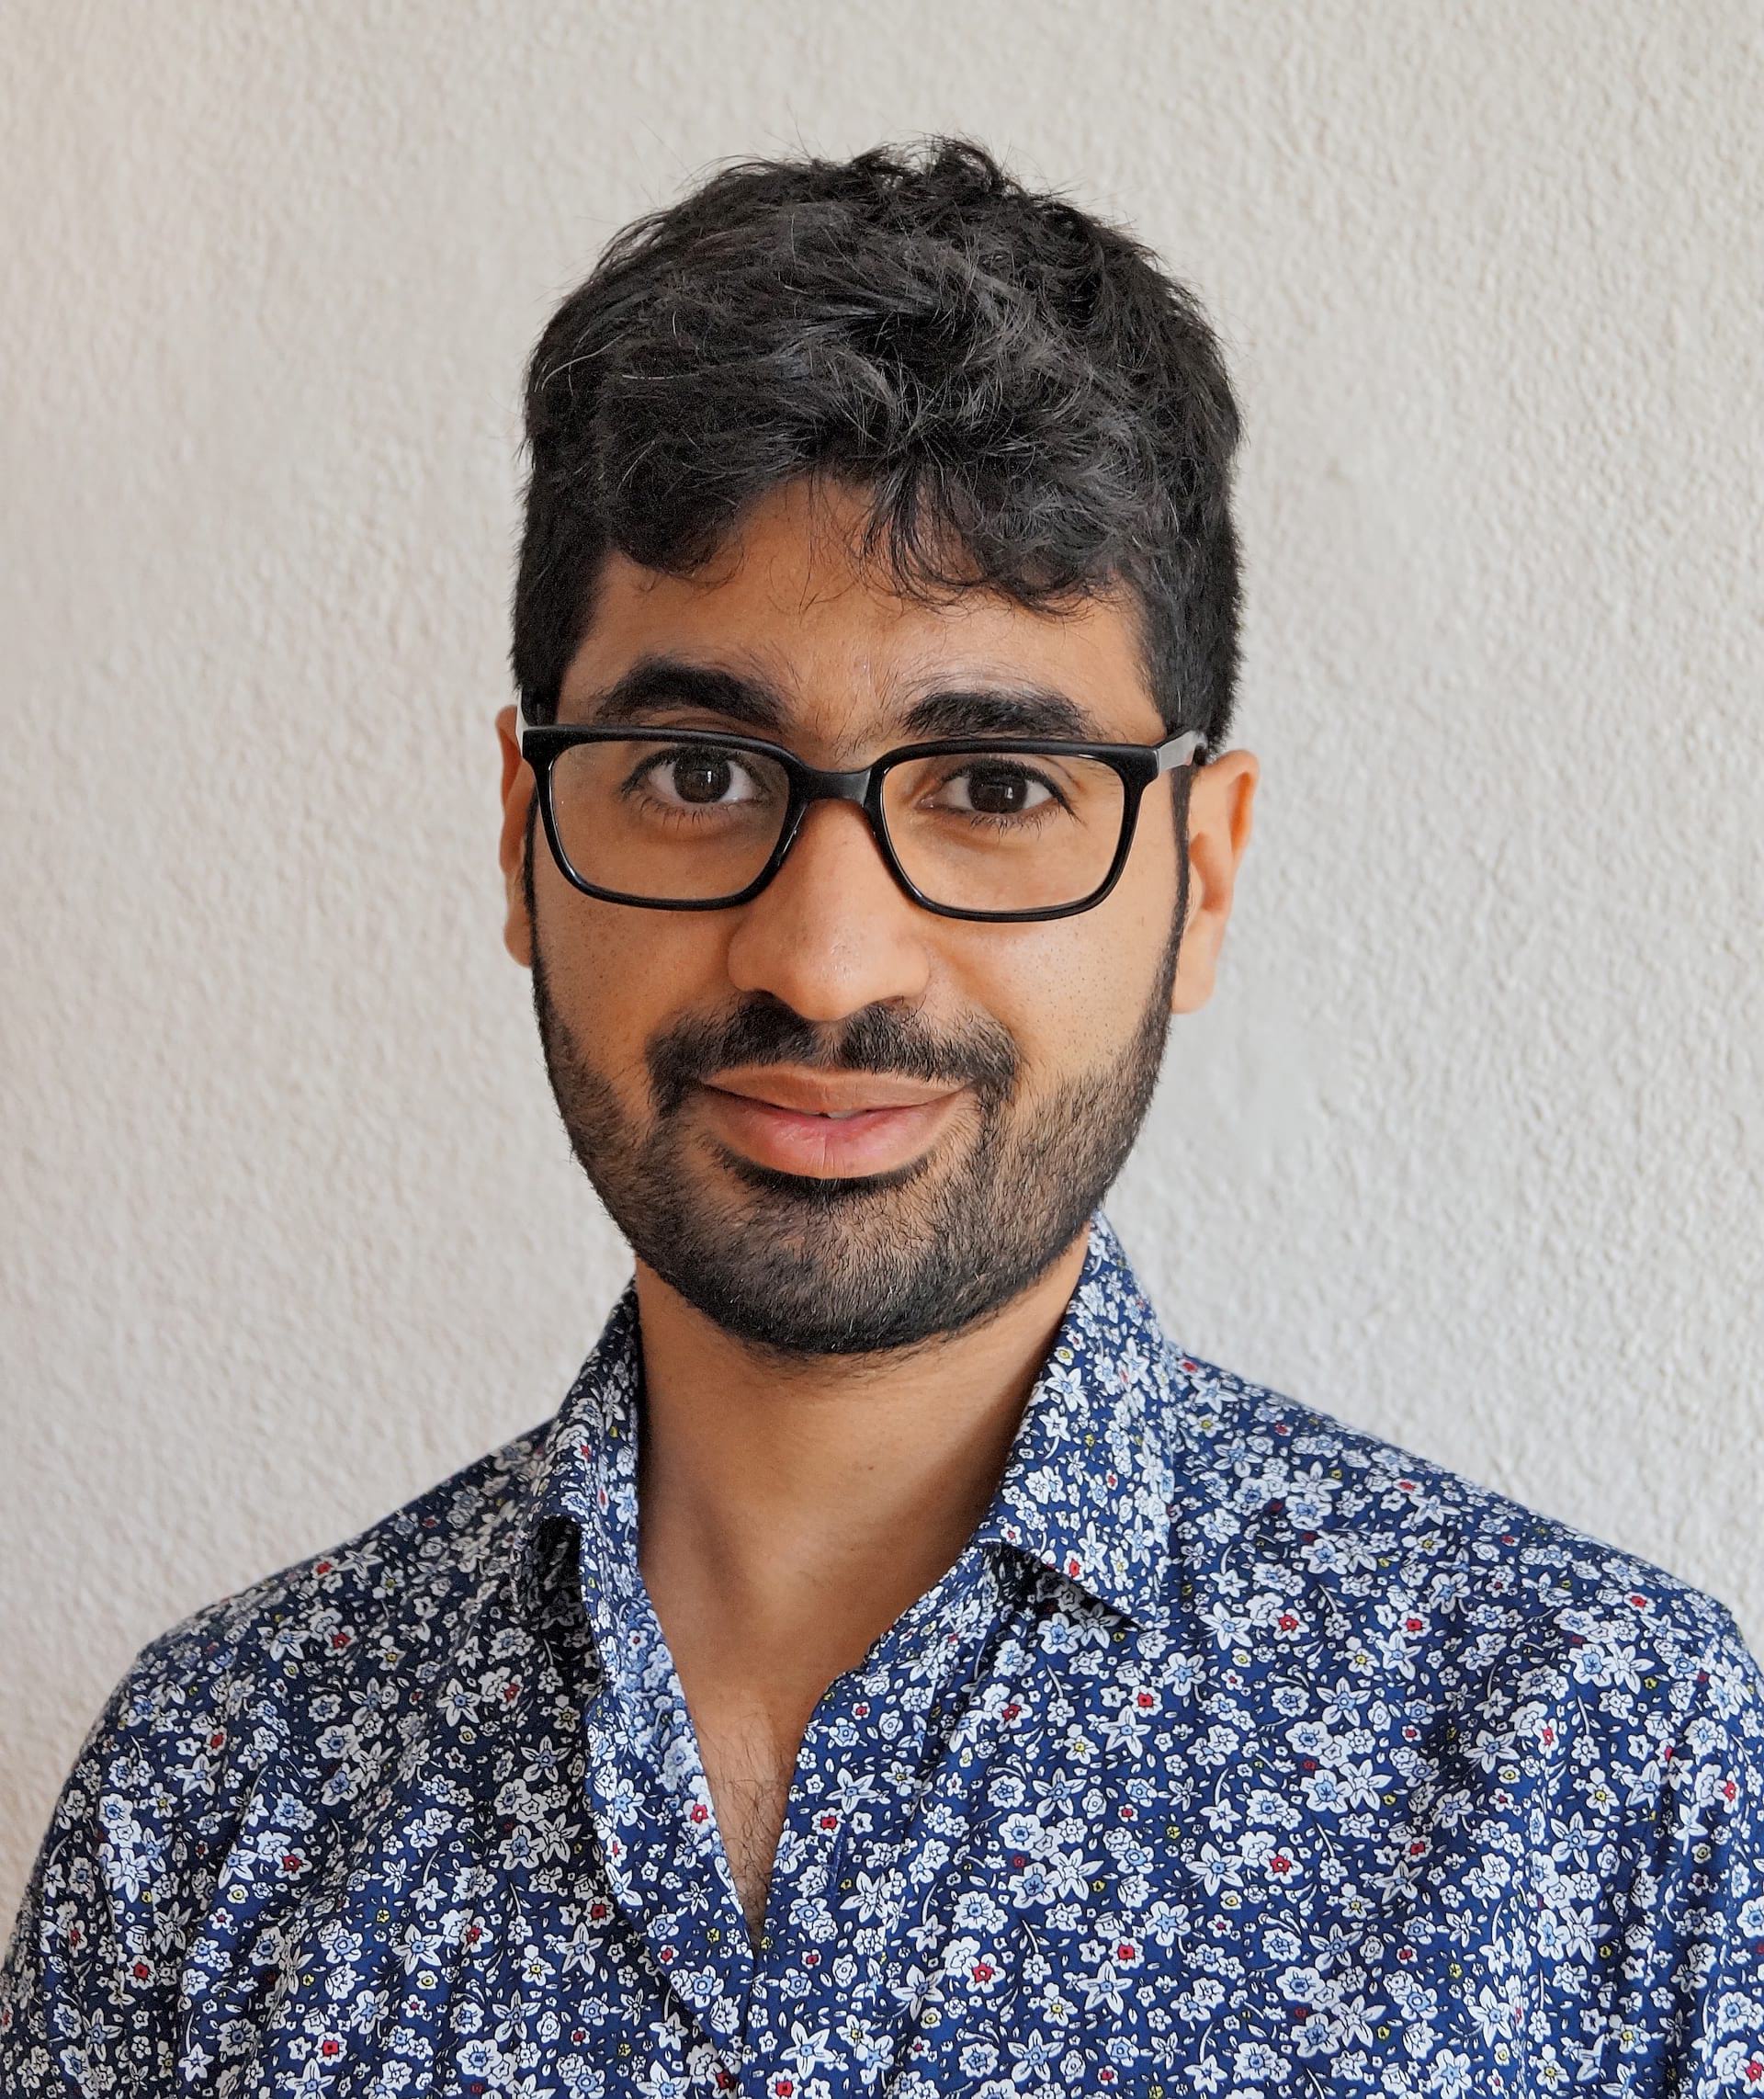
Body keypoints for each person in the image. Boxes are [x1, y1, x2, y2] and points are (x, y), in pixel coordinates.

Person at [4, 137, 1759, 2099]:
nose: (828, 961)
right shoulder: (211, 1796)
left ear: (1201, 873)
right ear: (523, 834)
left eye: (994, 788)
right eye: (696, 771)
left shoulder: (1600, 1779)